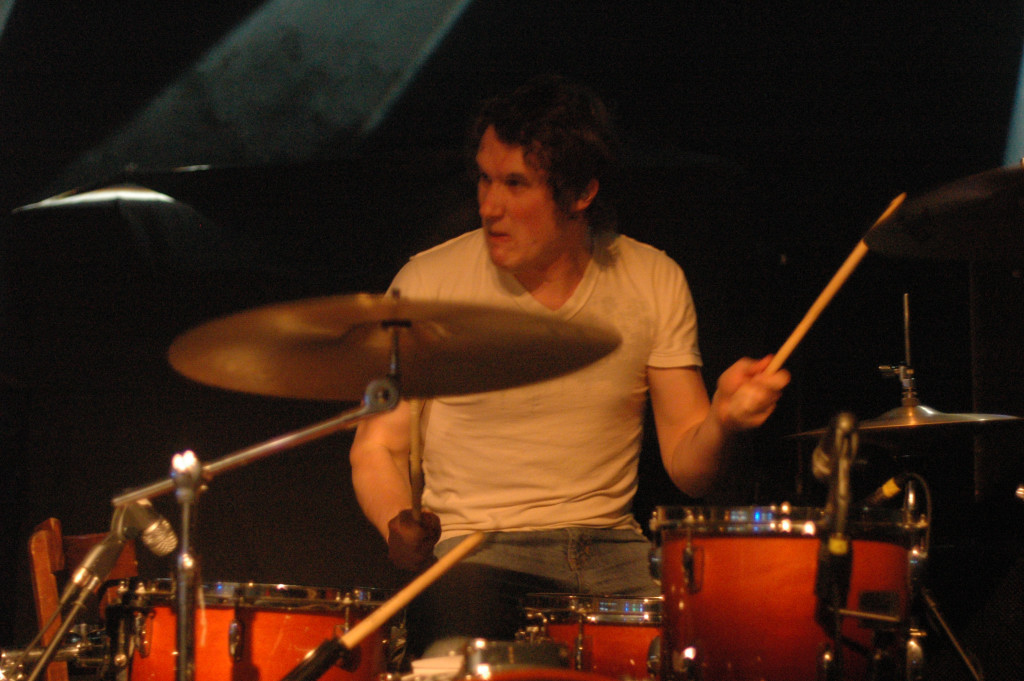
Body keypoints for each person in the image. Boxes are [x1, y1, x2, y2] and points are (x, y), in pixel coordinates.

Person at [349, 74, 790, 659]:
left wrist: (724, 421)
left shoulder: (652, 279)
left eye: (515, 184)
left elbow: (689, 466)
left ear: (581, 193)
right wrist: (395, 522)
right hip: (476, 552)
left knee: (706, 647)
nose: (489, 206)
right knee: (454, 644)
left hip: (613, 549)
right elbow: (376, 447)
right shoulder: (427, 285)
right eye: (484, 178)